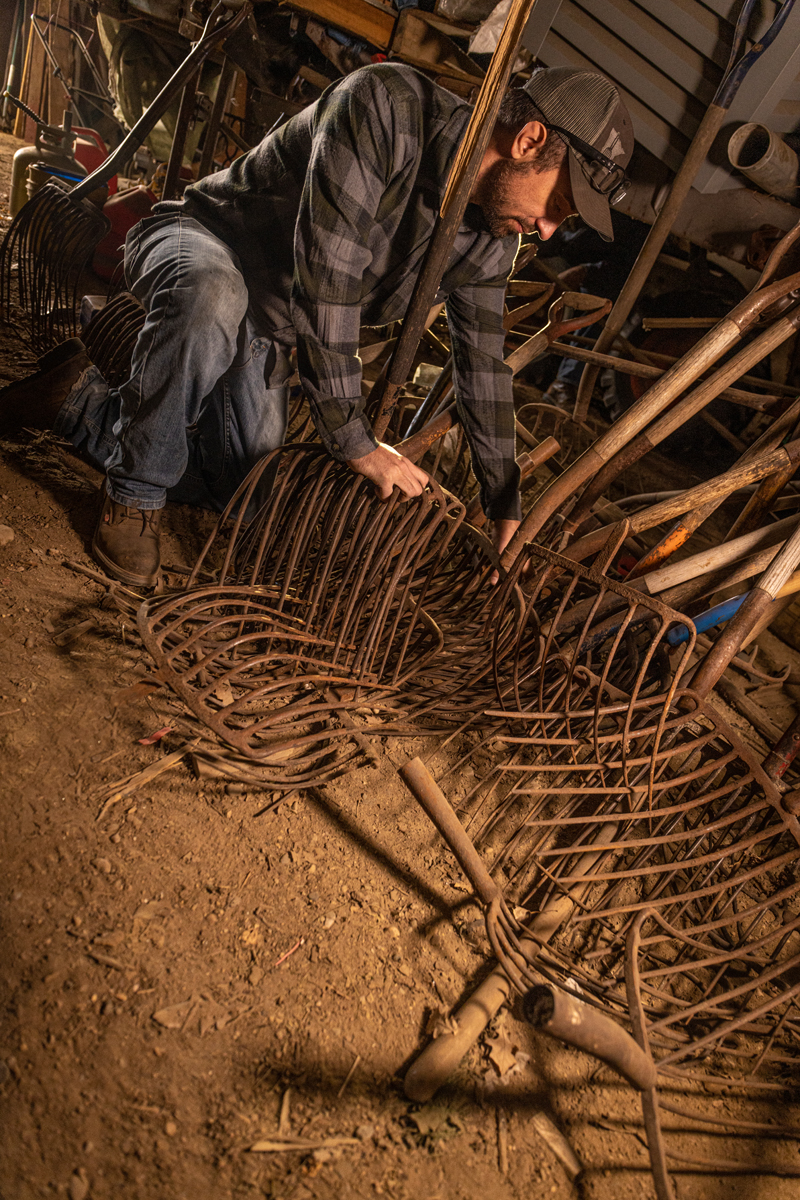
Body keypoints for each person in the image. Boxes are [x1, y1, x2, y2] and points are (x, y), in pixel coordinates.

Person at [0, 62, 633, 588]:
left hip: (267, 330)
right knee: (214, 294)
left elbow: (484, 368)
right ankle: (133, 496)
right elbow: (327, 279)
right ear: (527, 141)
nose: (548, 230)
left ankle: (77, 402)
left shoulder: (491, 242)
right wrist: (356, 443)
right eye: (557, 204)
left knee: (243, 494)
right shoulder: (383, 107)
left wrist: (504, 503)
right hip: (205, 247)